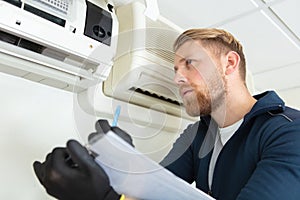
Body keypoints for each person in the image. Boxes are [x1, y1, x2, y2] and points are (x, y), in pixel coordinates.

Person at [33, 28, 300, 200]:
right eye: (175, 69)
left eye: (189, 63)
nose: (178, 78)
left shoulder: (289, 131)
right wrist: (123, 166)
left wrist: (107, 198)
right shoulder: (198, 134)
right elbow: (156, 191)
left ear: (229, 63)